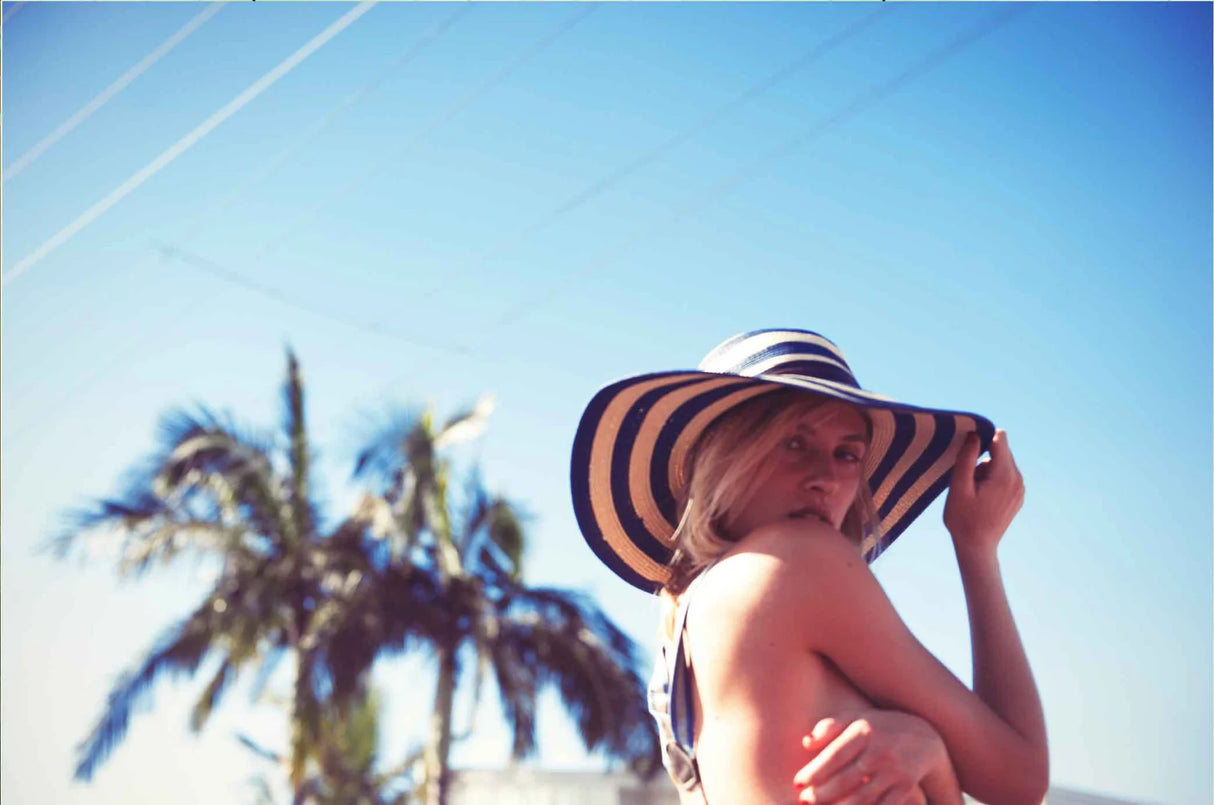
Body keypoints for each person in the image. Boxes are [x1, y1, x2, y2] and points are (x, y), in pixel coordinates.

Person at [570, 329, 1048, 804]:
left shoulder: (688, 626)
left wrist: (933, 757)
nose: (825, 478)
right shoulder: (798, 560)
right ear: (724, 456)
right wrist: (975, 548)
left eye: (846, 454)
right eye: (794, 443)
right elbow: (1019, 780)